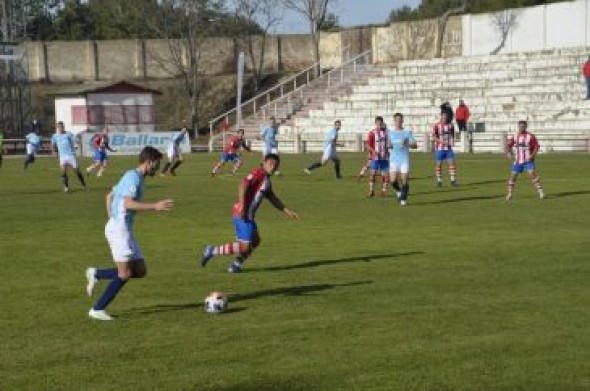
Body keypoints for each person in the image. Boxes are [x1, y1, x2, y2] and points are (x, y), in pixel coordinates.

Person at [85, 146, 174, 321]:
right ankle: (97, 309)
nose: (157, 167)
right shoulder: (134, 178)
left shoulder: (132, 175)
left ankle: (97, 274)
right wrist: (154, 206)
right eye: (157, 164)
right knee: (124, 274)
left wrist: (112, 218)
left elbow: (109, 196)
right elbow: (127, 203)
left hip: (121, 227)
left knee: (140, 271)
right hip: (120, 230)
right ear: (149, 162)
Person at [201, 153, 298, 273]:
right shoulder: (259, 173)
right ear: (264, 163)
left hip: (248, 216)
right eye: (270, 164)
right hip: (242, 213)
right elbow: (243, 184)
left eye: (275, 165)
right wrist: (242, 204)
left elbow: (273, 198)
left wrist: (287, 211)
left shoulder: (266, 181)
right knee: (244, 246)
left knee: (255, 240)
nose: (273, 167)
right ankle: (212, 250)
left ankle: (236, 264)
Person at [505, 119, 545, 201]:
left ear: (526, 127)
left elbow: (536, 147)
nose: (521, 128)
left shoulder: (530, 136)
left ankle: (540, 191)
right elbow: (508, 145)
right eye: (520, 126)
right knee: (513, 176)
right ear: (518, 126)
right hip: (518, 160)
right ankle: (510, 193)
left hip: (527, 160)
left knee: (532, 174)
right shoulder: (515, 136)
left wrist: (532, 156)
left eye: (523, 126)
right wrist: (508, 153)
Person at [388, 113, 417, 206]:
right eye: (397, 120)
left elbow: (415, 145)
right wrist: (389, 145)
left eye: (400, 120)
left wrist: (407, 144)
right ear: (394, 121)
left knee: (404, 179)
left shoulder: (407, 132)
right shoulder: (390, 133)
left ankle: (403, 200)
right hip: (393, 159)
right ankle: (398, 191)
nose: (398, 122)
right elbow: (389, 144)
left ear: (402, 121)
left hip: (404, 159)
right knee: (392, 180)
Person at [51, 121, 87, 193]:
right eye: (59, 127)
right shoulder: (55, 136)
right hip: (62, 156)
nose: (61, 128)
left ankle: (83, 185)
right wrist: (54, 152)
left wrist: (76, 145)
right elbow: (52, 145)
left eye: (62, 127)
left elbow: (75, 141)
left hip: (71, 155)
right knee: (63, 172)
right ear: (57, 128)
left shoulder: (68, 134)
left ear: (63, 127)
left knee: (77, 171)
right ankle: (66, 187)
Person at [431, 111, 458, 187]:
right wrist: (441, 142)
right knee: (438, 165)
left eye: (446, 116)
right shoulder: (436, 125)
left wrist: (453, 141)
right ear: (441, 116)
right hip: (439, 149)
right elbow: (434, 137)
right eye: (444, 115)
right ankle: (439, 181)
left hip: (448, 148)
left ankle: (453, 181)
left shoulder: (451, 125)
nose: (445, 117)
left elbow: (453, 134)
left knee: (452, 163)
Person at [366, 116, 390, 197]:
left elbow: (388, 144)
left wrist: (388, 151)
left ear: (382, 123)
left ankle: (384, 191)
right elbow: (368, 146)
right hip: (375, 158)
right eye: (378, 124)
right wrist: (374, 151)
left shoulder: (386, 133)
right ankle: (371, 190)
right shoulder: (372, 133)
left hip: (384, 157)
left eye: (381, 123)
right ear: (375, 124)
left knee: (385, 175)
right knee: (373, 174)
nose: (379, 125)